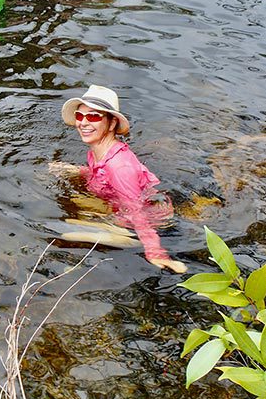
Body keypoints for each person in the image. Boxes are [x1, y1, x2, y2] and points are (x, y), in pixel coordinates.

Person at [49, 84, 187, 273]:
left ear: (112, 123)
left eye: (93, 116)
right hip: (118, 209)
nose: (83, 123)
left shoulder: (120, 167)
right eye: (80, 116)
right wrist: (78, 171)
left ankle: (72, 268)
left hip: (146, 226)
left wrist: (155, 251)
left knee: (67, 232)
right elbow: (101, 174)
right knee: (73, 214)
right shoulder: (99, 151)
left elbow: (136, 210)